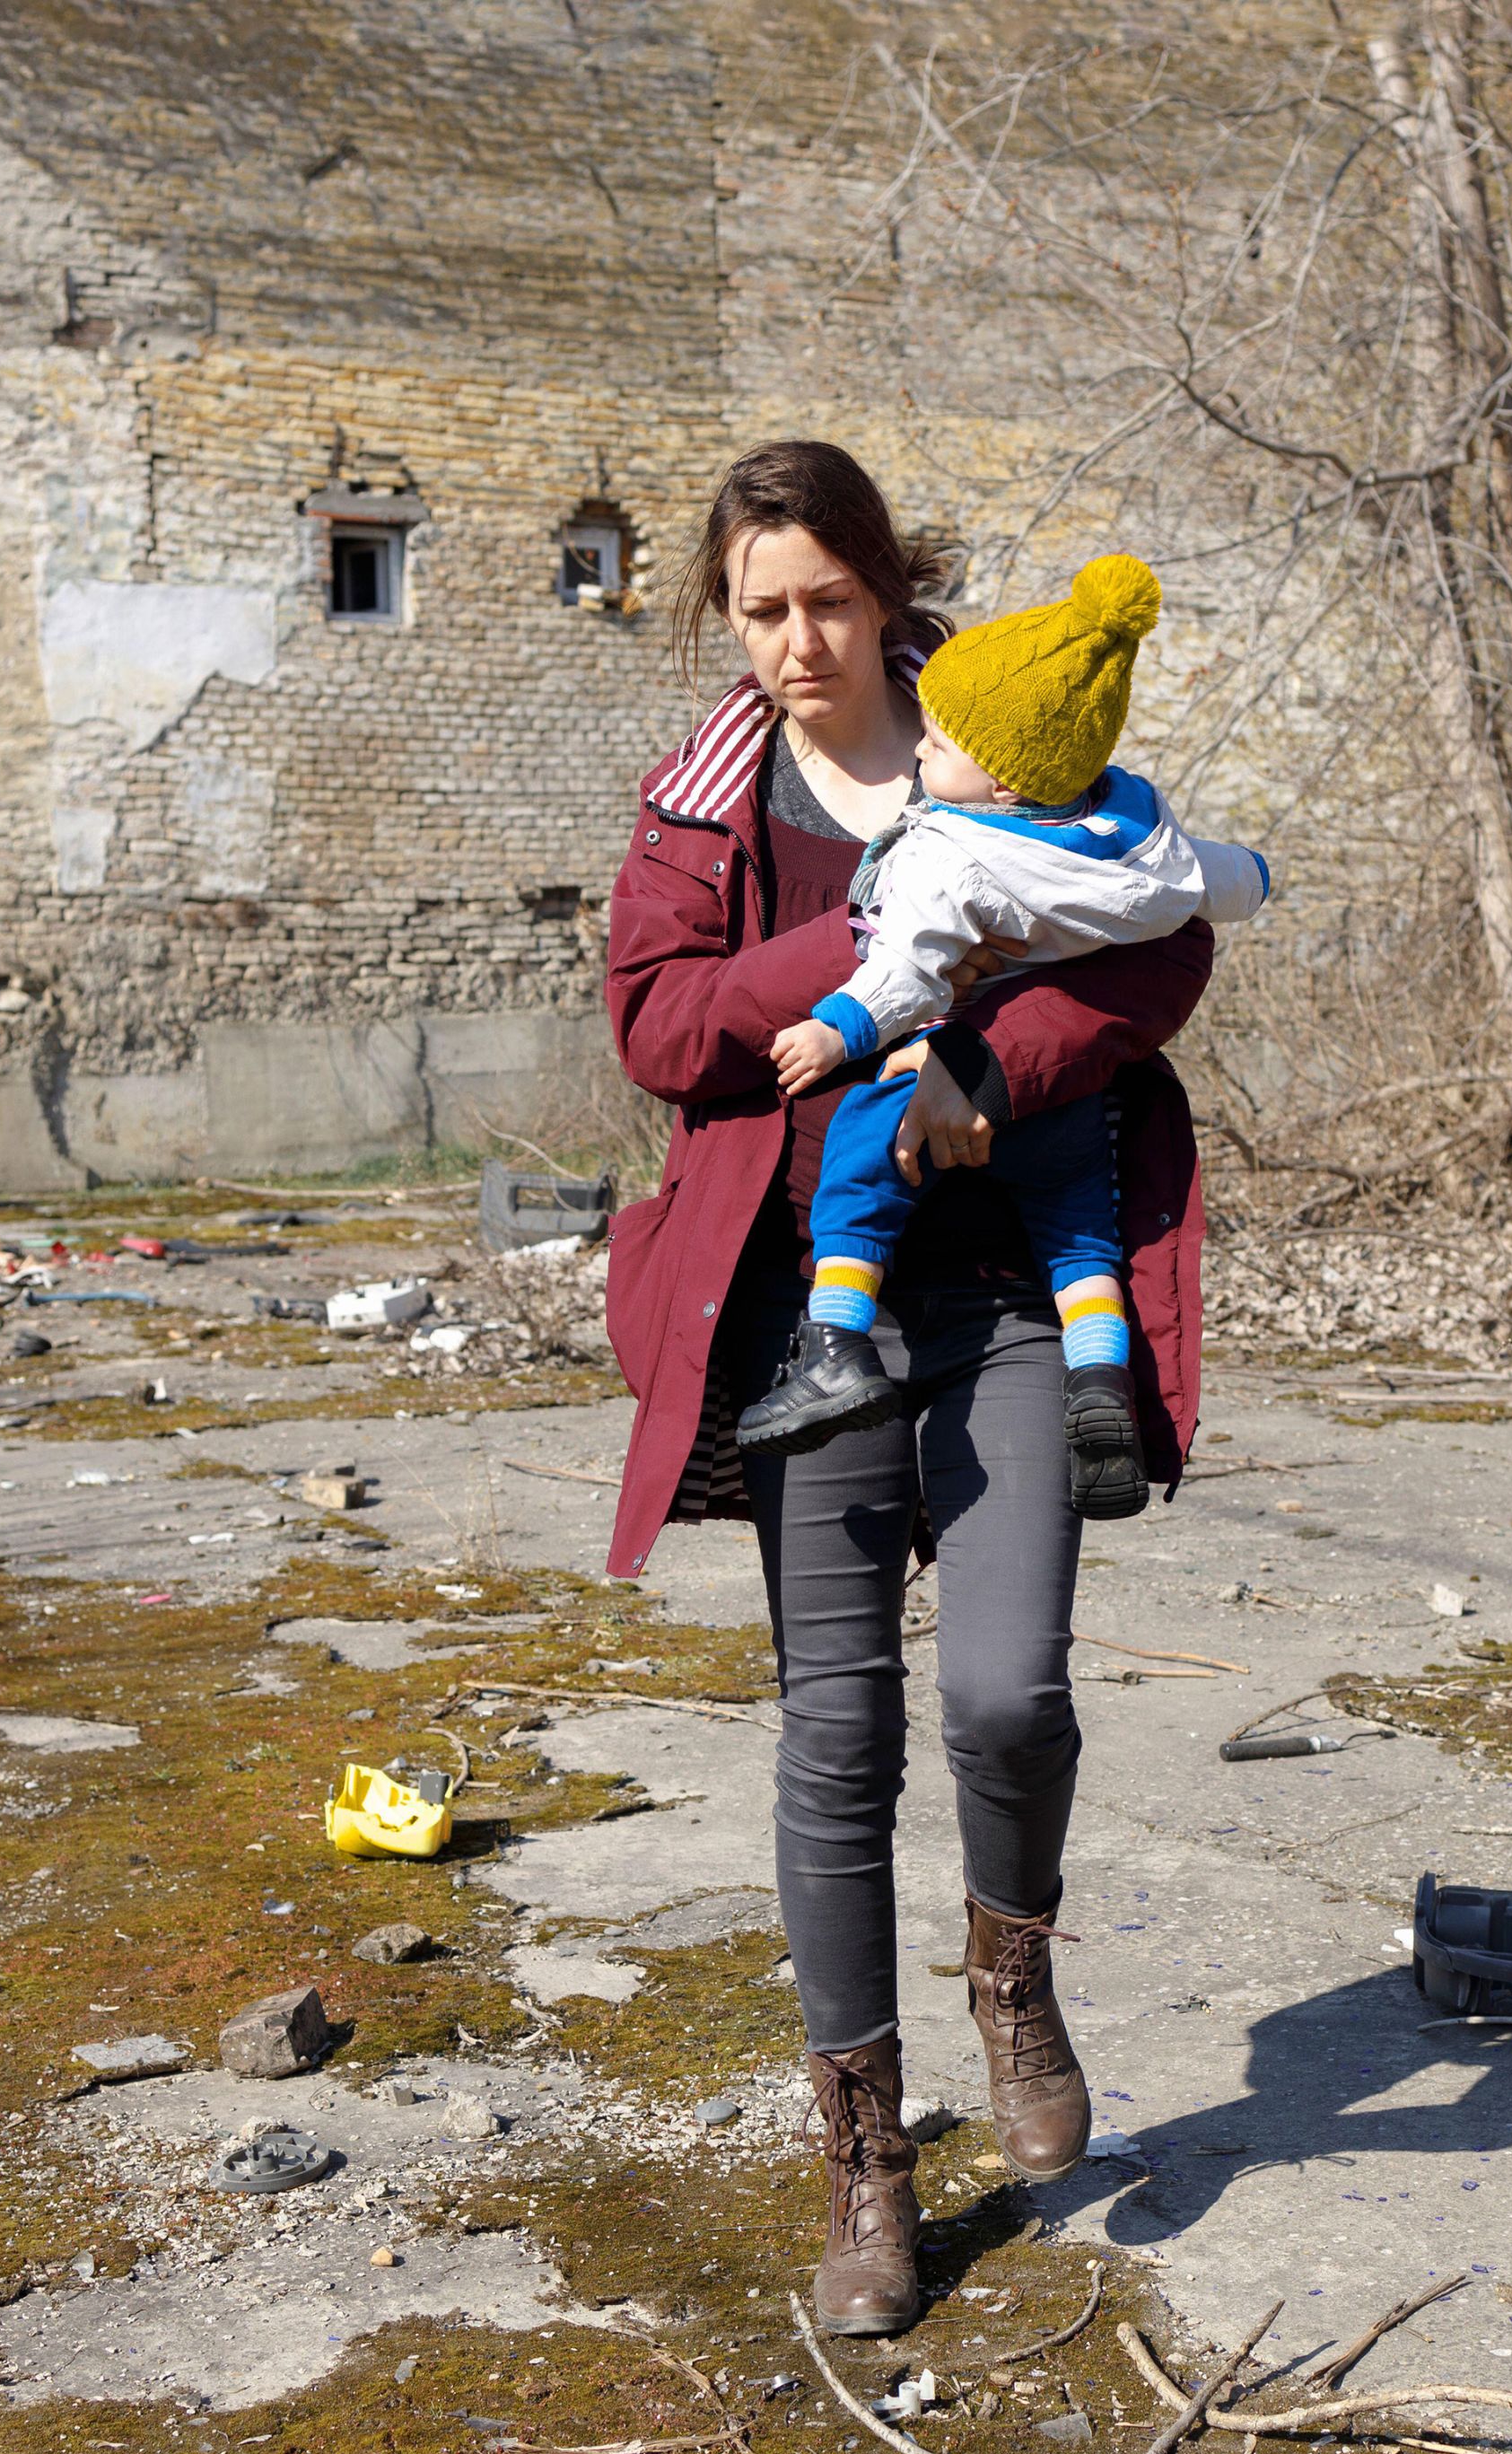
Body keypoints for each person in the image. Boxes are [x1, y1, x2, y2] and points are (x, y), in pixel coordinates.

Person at [600, 442, 1215, 2336]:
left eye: (829, 604)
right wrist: (865, 925)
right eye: (761, 611)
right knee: (836, 1746)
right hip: (812, 1319)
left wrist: (985, 1072)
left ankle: (1010, 1978)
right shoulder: (705, 810)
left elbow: (1158, 941)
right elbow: (651, 1025)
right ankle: (867, 2166)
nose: (799, 644)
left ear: (883, 592)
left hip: (1017, 1291)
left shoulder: (1013, 732)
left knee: (1008, 1692)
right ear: (728, 617)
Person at [730, 552, 1271, 1525]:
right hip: (1057, 1099)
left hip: (941, 1070)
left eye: (941, 740)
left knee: (859, 1161)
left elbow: (900, 973)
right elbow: (1224, 881)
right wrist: (1264, 877)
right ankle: (1098, 1381)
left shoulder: (953, 853)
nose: (922, 754)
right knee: (1079, 1235)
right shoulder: (1136, 836)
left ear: (1009, 780)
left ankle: (837, 1344)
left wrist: (828, 1027)